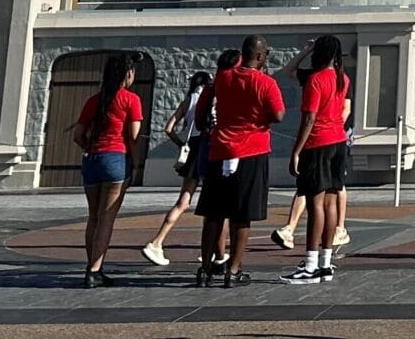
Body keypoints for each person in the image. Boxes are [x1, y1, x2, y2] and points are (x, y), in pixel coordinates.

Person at [195, 36, 284, 286]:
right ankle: (233, 270)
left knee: (213, 214)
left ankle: (204, 269)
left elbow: (205, 105)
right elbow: (278, 114)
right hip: (251, 150)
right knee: (242, 214)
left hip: (220, 149)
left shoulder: (223, 78)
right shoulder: (265, 82)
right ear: (258, 56)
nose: (267, 57)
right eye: (266, 53)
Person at [73, 53, 144, 288]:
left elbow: (78, 135)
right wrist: (135, 164)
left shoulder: (94, 100)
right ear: (128, 74)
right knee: (107, 218)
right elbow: (133, 136)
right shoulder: (130, 100)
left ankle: (92, 265)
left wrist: (91, 147)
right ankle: (95, 270)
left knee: (93, 216)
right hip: (116, 158)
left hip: (92, 158)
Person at [286, 35, 351, 283]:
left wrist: (296, 151)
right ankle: (325, 262)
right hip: (338, 142)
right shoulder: (342, 79)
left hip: (318, 143)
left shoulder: (315, 79)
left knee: (315, 205)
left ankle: (310, 265)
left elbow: (309, 118)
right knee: (332, 203)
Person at [140, 68, 212, 268]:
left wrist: (180, 144)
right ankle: (210, 249)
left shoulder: (188, 101)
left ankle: (157, 242)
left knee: (183, 201)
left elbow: (168, 128)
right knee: (211, 202)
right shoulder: (209, 98)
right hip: (206, 148)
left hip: (191, 149)